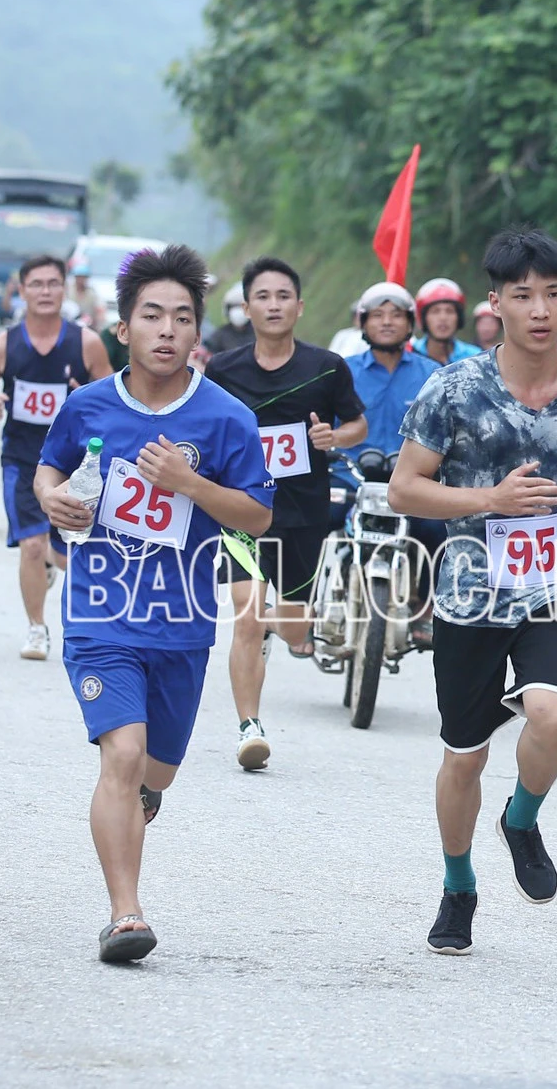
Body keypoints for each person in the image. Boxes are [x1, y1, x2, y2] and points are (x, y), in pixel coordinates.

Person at [390, 227, 557, 957]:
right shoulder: (454, 389)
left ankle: (521, 819)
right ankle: (458, 885)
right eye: (523, 296)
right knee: (464, 757)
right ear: (495, 304)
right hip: (469, 593)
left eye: (553, 294)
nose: (541, 310)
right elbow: (405, 489)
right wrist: (488, 500)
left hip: (552, 585)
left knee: (552, 713)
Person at [33, 245, 275, 963]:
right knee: (124, 755)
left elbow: (258, 517)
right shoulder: (88, 405)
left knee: (153, 773)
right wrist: (52, 499)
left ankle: (143, 800)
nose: (167, 330)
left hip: (180, 623)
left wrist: (189, 484)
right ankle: (125, 915)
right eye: (151, 316)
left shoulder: (226, 418)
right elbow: (51, 467)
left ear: (198, 331)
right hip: (99, 613)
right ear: (123, 328)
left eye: (181, 318)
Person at [204, 257, 369, 769]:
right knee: (248, 616)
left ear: (299, 306)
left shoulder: (327, 367)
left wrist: (333, 437)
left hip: (304, 513)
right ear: (246, 307)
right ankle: (249, 728)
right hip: (243, 511)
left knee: (296, 631)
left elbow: (358, 425)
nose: (273, 305)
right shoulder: (223, 369)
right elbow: (207, 428)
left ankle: (277, 632)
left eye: (282, 297)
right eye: (262, 296)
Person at [0, 255, 114, 661]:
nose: (45, 291)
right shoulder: (3, 346)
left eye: (53, 283)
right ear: (22, 291)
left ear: (64, 289)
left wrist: (86, 397)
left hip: (73, 465)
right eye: (36, 284)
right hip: (22, 460)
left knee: (67, 557)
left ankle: (54, 564)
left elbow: (114, 400)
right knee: (31, 545)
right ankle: (37, 629)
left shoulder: (86, 343)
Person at [340, 281, 446, 644]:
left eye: (396, 315)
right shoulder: (342, 371)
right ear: (363, 322)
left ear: (411, 323)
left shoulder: (433, 374)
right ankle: (310, 607)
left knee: (437, 530)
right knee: (318, 520)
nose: (387, 322)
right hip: (351, 479)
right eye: (378, 315)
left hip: (411, 482)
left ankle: (426, 609)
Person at [412, 277, 482, 365]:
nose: (443, 318)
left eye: (450, 311)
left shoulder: (476, 357)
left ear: (459, 318)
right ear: (423, 318)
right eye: (435, 311)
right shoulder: (411, 354)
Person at [202, 281, 254, 354]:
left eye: (241, 306)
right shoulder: (220, 335)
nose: (238, 311)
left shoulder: (259, 333)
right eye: (234, 306)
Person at [70, 260, 109, 331]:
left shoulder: (92, 293)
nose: (81, 280)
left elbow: (100, 309)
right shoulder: (69, 291)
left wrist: (99, 326)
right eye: (79, 277)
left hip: (88, 326)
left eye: (83, 277)